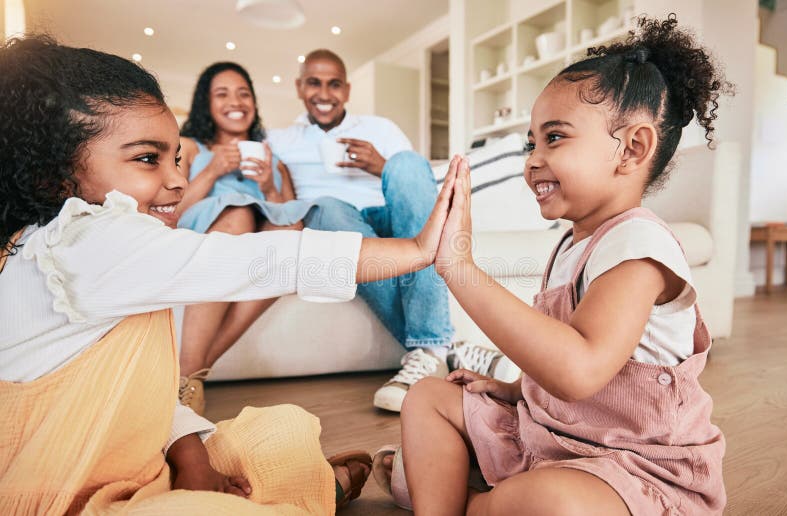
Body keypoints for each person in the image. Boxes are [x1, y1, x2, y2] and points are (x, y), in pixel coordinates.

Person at [0, 35, 458, 514]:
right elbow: (266, 260)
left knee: (282, 428)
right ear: (53, 177)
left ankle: (296, 485)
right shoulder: (85, 244)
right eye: (146, 158)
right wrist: (417, 249)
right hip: (58, 496)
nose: (176, 180)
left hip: (127, 457)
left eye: (175, 158)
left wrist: (192, 458)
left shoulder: (104, 250)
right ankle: (313, 490)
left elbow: (146, 395)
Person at [374, 15, 728, 515]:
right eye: (530, 143)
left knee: (544, 502)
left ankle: (463, 499)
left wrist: (458, 265)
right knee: (427, 397)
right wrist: (514, 388)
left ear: (632, 148)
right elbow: (555, 365)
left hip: (632, 466)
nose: (533, 159)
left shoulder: (640, 246)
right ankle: (449, 499)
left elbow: (580, 369)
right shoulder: (568, 246)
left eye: (555, 138)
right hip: (551, 437)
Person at [270, 48, 466, 412]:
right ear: (299, 87)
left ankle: (434, 348)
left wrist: (381, 165)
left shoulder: (380, 128)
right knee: (325, 207)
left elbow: (414, 188)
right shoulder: (280, 141)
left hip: (390, 218)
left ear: (346, 89)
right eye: (314, 83)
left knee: (407, 161)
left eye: (333, 85)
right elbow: (279, 198)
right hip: (337, 221)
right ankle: (442, 348)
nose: (324, 94)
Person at [176, 62, 313, 415]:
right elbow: (170, 208)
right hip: (211, 230)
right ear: (206, 103)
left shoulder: (273, 160)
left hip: (255, 245)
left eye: (243, 93)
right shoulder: (189, 147)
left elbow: (291, 221)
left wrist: (268, 184)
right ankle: (189, 373)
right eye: (222, 93)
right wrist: (213, 171)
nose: (235, 101)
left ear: (253, 102)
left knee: (289, 240)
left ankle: (187, 374)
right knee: (238, 215)